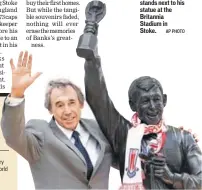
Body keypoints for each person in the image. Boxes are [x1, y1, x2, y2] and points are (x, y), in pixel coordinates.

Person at [82, 39, 202, 189]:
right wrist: (91, 58)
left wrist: (172, 177)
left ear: (164, 100)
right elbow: (98, 100)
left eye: (156, 99)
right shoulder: (124, 134)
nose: (152, 106)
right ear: (133, 105)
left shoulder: (183, 138)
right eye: (145, 101)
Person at [1, 51, 114, 190]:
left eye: (72, 102)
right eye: (59, 105)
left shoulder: (99, 129)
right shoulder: (40, 133)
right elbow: (13, 136)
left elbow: (126, 159)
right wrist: (16, 93)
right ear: (50, 109)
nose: (67, 111)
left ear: (81, 104)